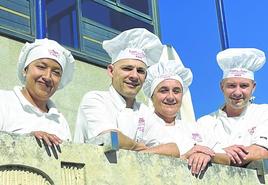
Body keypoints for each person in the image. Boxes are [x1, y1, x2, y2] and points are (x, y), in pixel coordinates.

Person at [74, 28, 179, 157]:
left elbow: (173, 149)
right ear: (111, 71)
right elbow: (111, 138)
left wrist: (136, 149)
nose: (134, 76)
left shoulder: (144, 111)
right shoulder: (95, 99)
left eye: (140, 71)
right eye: (127, 68)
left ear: (145, 77)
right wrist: (137, 146)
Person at [143, 45, 230, 175]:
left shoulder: (196, 128)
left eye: (176, 91)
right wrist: (186, 156)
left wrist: (207, 155)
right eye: (163, 90)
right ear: (151, 96)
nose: (171, 97)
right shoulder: (143, 125)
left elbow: (226, 159)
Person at [197, 48, 268, 167]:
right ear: (221, 87)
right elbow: (197, 155)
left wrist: (214, 155)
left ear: (253, 87)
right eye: (231, 86)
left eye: (244, 86)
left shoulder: (264, 113)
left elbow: (261, 152)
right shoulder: (204, 122)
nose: (237, 92)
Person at [0, 38, 75, 146]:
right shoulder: (4, 101)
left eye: (56, 72)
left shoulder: (60, 120)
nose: (47, 77)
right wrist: (26, 141)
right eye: (41, 67)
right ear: (25, 70)